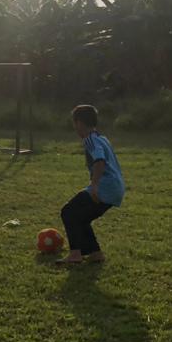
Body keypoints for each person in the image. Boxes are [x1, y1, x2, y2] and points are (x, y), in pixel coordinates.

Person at [59, 104, 125, 264]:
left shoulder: (90, 139)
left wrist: (94, 185)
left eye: (75, 124)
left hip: (105, 187)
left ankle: (75, 254)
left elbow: (99, 161)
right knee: (80, 217)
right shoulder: (102, 138)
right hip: (117, 188)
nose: (75, 128)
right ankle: (95, 253)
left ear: (79, 123)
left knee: (68, 212)